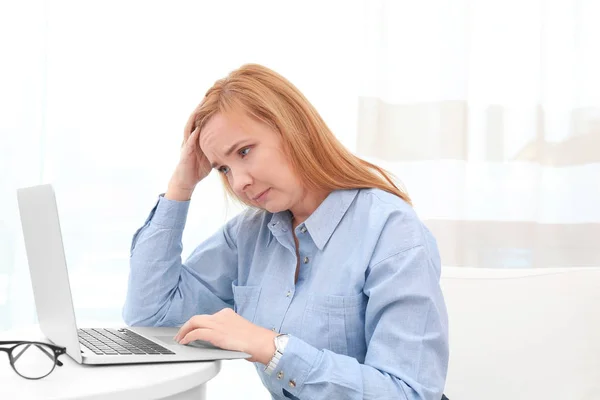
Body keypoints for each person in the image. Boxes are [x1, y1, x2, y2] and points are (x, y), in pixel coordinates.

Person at [123, 63, 449, 400]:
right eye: (223, 168)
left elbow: (409, 392)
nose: (239, 183)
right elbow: (150, 315)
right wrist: (181, 184)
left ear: (293, 128)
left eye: (244, 152)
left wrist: (271, 347)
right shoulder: (250, 233)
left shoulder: (391, 231)